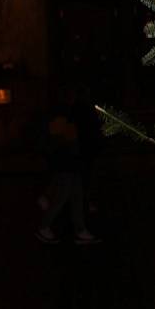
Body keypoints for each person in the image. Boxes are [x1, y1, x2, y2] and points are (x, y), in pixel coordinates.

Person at [35, 84, 101, 245]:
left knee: (77, 196)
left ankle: (80, 230)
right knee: (62, 196)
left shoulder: (68, 111)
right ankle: (44, 226)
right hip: (65, 162)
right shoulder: (60, 112)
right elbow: (59, 140)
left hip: (71, 161)